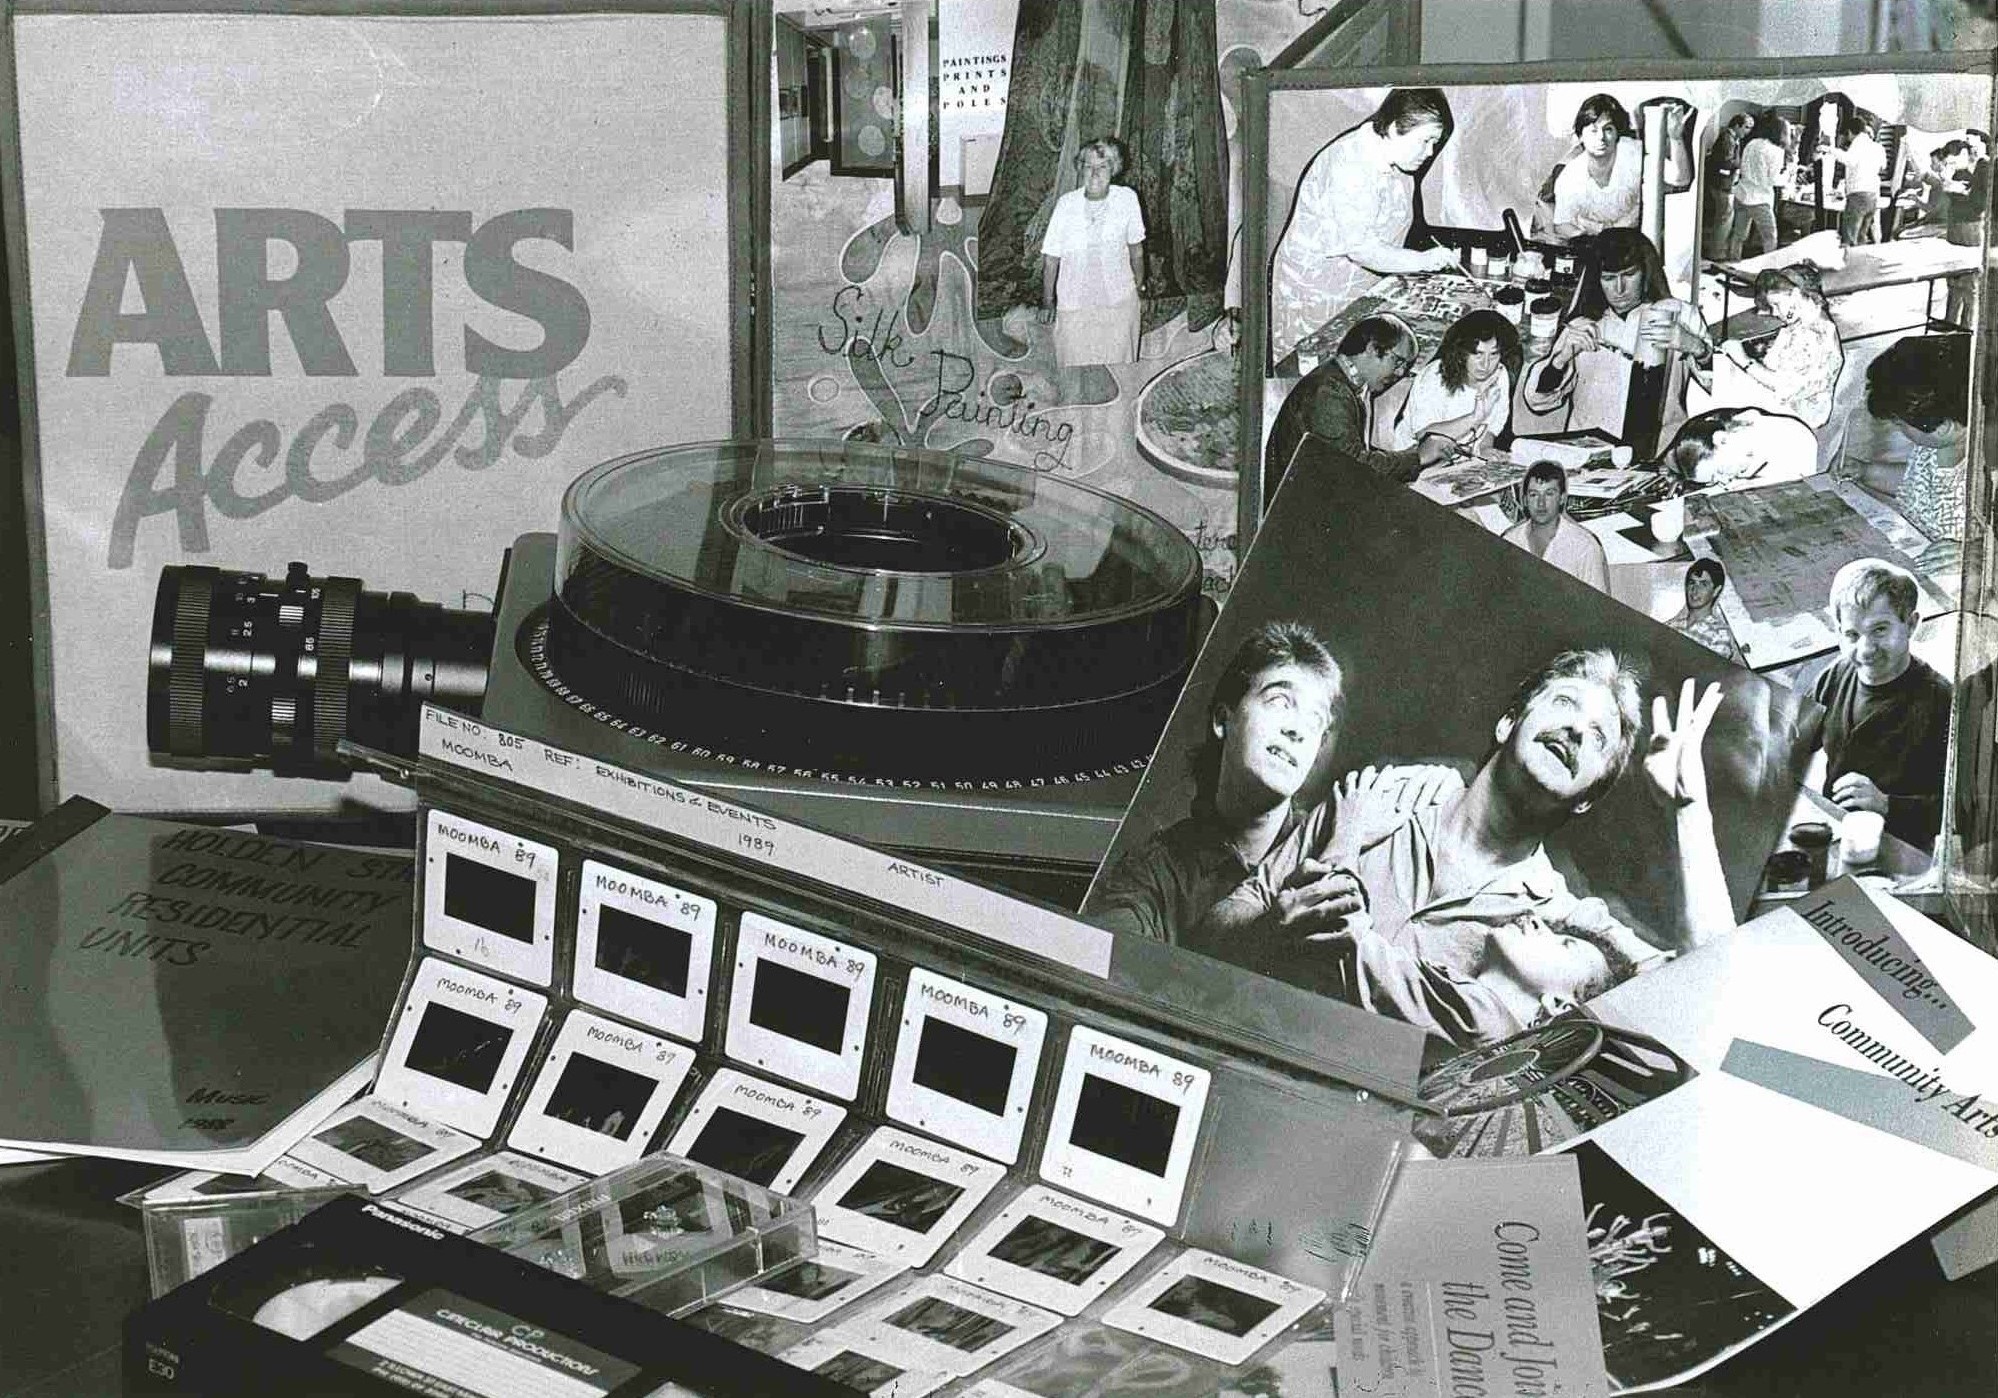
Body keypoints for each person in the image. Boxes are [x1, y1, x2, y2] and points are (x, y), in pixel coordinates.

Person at [1199, 650, 1733, 992]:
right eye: (1565, 703)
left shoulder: (1560, 925)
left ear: (1586, 798)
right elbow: (1216, 926)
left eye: (1598, 738)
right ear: (1507, 723)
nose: (1575, 730)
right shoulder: (1373, 797)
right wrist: (1267, 931)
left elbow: (1706, 995)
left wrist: (1689, 813)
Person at [1087, 622, 1349, 946]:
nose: (1298, 730)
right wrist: (1254, 937)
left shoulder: (1333, 848)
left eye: (1315, 720)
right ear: (1223, 720)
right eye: (1280, 701)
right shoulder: (1149, 875)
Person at [1269, 88, 1461, 364]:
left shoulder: (1399, 162)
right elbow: (1362, 250)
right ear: (1395, 128)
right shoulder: (1350, 166)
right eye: (1426, 141)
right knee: (1315, 376)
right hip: (1315, 296)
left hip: (1357, 289)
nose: (1430, 152)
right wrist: (1423, 260)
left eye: (1436, 142)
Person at [1518, 227, 1713, 458]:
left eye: (1629, 275)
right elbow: (1539, 401)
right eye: (1609, 278)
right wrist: (1559, 360)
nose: (1619, 289)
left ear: (1646, 272)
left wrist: (1696, 347)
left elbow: (1720, 389)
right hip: (1593, 453)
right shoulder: (1583, 325)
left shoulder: (1681, 315)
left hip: (1663, 452)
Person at [1802, 560, 1952, 855]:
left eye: (1880, 630)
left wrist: (1886, 804)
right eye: (1852, 635)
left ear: (1911, 624)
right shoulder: (1835, 675)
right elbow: (1791, 743)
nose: (1866, 649)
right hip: (1837, 838)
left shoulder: (1940, 699)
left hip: (1903, 851)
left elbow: (1963, 809)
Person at [1262, 315, 1451, 502]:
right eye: (1398, 362)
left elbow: (1349, 454)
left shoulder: (1340, 383)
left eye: (1406, 367)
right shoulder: (1328, 392)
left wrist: (1412, 453)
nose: (1400, 373)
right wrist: (1418, 457)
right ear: (1371, 348)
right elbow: (1353, 467)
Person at [1039, 137, 1146, 389]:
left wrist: (1138, 289)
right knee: (1075, 382)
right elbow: (1051, 259)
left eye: (1103, 166)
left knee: (1120, 380)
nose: (1095, 173)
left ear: (1114, 169)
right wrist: (1047, 302)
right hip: (1074, 307)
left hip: (1119, 305)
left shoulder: (1127, 199)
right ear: (1080, 169)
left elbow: (1137, 252)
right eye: (1088, 166)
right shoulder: (1066, 204)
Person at [1854, 331, 1970, 544]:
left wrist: (1974, 555)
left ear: (1943, 428)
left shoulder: (1981, 480)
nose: (1897, 428)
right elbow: (1918, 487)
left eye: (1899, 423)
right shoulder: (1933, 444)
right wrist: (1868, 472)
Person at [1536, 93, 1690, 240]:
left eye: (1608, 129)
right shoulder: (1569, 178)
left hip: (1637, 243)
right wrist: (1589, 240)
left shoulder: (1635, 154)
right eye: (1593, 130)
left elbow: (1680, 179)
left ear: (1618, 133)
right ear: (1581, 136)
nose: (1601, 138)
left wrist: (1675, 137)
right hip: (1592, 247)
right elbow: (1562, 224)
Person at [1712, 264, 1843, 429]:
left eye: (1777, 304)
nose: (1774, 312)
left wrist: (1744, 360)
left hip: (1793, 418)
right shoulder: (1812, 320)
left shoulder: (1812, 334)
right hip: (1798, 410)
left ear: (1795, 294)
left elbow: (1784, 386)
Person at [1389, 308, 1518, 456]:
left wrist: (1485, 449)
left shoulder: (1499, 374)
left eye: (1494, 354)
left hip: (1462, 456)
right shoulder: (1433, 378)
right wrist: (1475, 417)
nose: (1485, 364)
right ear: (1462, 352)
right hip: (1416, 456)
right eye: (1477, 354)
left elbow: (1492, 426)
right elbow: (1425, 437)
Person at [1501, 460, 1610, 594]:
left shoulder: (1584, 546)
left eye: (1549, 494)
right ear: (1524, 500)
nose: (1541, 503)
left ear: (1562, 498)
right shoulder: (1510, 541)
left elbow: (1598, 609)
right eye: (1534, 494)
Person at [1662, 406, 1821, 490]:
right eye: (1714, 480)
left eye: (1720, 472)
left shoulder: (1788, 437)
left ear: (1722, 439)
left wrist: (1754, 484)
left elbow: (1800, 487)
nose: (1725, 481)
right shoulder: (1736, 438)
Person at [1724, 112, 1789, 261]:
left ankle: (1733, 265)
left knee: (1738, 235)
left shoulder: (1752, 143)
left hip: (1742, 193)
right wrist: (1787, 177)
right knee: (1770, 236)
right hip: (1759, 199)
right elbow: (1773, 180)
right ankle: (1769, 269)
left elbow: (1742, 164)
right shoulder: (1776, 151)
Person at [1667, 559, 1745, 665]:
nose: (1695, 590)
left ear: (1716, 591)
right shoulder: (1672, 626)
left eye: (1703, 584)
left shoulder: (1720, 635)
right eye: (1692, 583)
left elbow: (1708, 675)